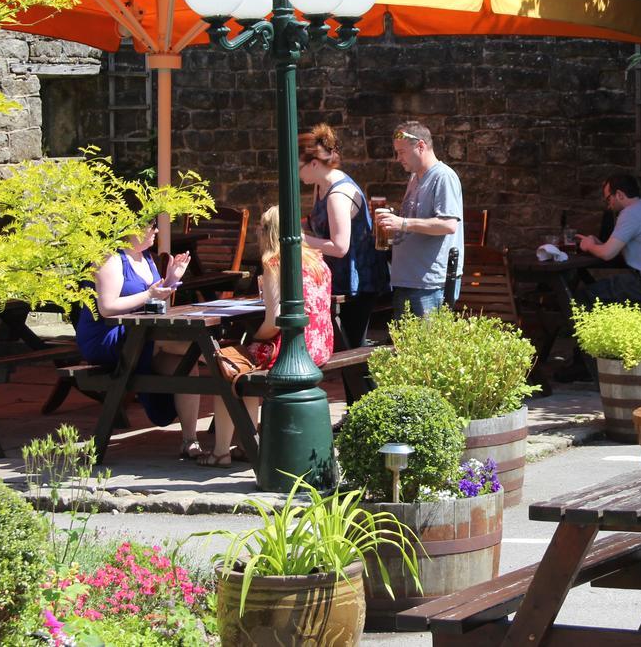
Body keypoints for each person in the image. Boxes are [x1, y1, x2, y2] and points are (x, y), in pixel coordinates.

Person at [199, 205, 334, 466]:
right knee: (245, 372)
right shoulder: (317, 261)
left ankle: (220, 452)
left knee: (225, 370)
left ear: (268, 232)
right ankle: (247, 445)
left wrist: (256, 340)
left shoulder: (274, 262)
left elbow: (273, 322)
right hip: (320, 345)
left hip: (293, 350)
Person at [74, 217, 200, 458]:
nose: (156, 231)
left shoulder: (146, 257)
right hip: (108, 336)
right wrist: (149, 293)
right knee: (177, 342)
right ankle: (215, 355)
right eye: (151, 226)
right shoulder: (109, 258)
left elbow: (154, 303)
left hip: (141, 334)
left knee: (186, 366)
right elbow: (107, 308)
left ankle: (189, 440)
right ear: (130, 227)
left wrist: (171, 280)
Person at [299, 123, 388, 348]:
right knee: (344, 350)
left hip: (357, 282)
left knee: (351, 351)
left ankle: (373, 385)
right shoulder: (320, 186)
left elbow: (340, 246)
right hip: (340, 279)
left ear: (314, 163)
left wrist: (298, 240)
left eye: (298, 167)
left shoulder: (338, 194)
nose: (296, 173)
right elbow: (317, 223)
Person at [376, 121, 464, 317]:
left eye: (402, 152)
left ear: (421, 146)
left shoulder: (443, 177)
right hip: (408, 279)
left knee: (425, 346)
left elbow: (448, 224)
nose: (398, 158)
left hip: (429, 284)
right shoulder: (415, 178)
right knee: (404, 347)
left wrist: (402, 223)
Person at [575, 173, 641, 307]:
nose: (608, 205)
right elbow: (612, 249)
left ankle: (581, 327)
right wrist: (600, 245)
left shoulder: (630, 213)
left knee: (584, 296)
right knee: (600, 293)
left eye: (608, 199)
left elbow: (607, 254)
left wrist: (588, 245)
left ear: (620, 194)